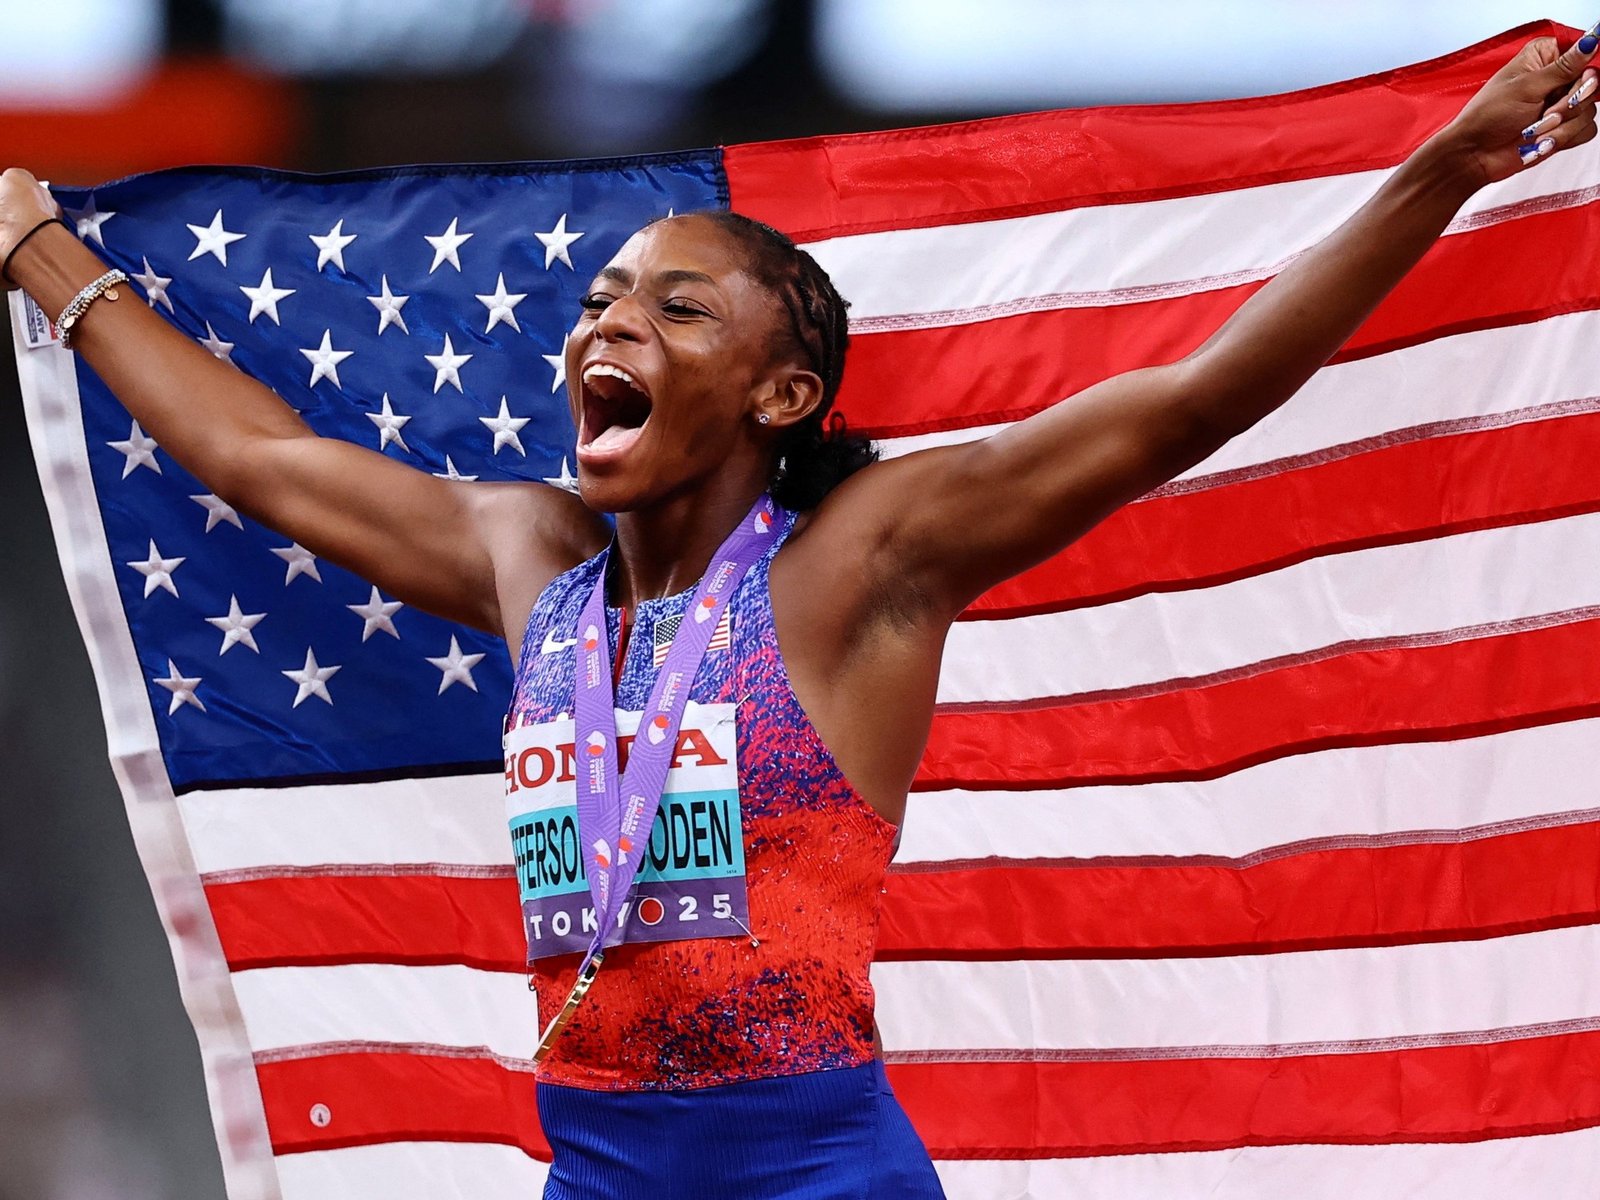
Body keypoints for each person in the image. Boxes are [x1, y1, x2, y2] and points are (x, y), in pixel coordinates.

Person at [3, 27, 1597, 1200]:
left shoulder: (859, 562)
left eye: (677, 304)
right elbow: (259, 457)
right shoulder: (530, 563)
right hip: (597, 1173)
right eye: (602, 304)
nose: (612, 321)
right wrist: (38, 245)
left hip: (816, 1180)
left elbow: (1182, 404)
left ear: (784, 390)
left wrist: (1440, 171)